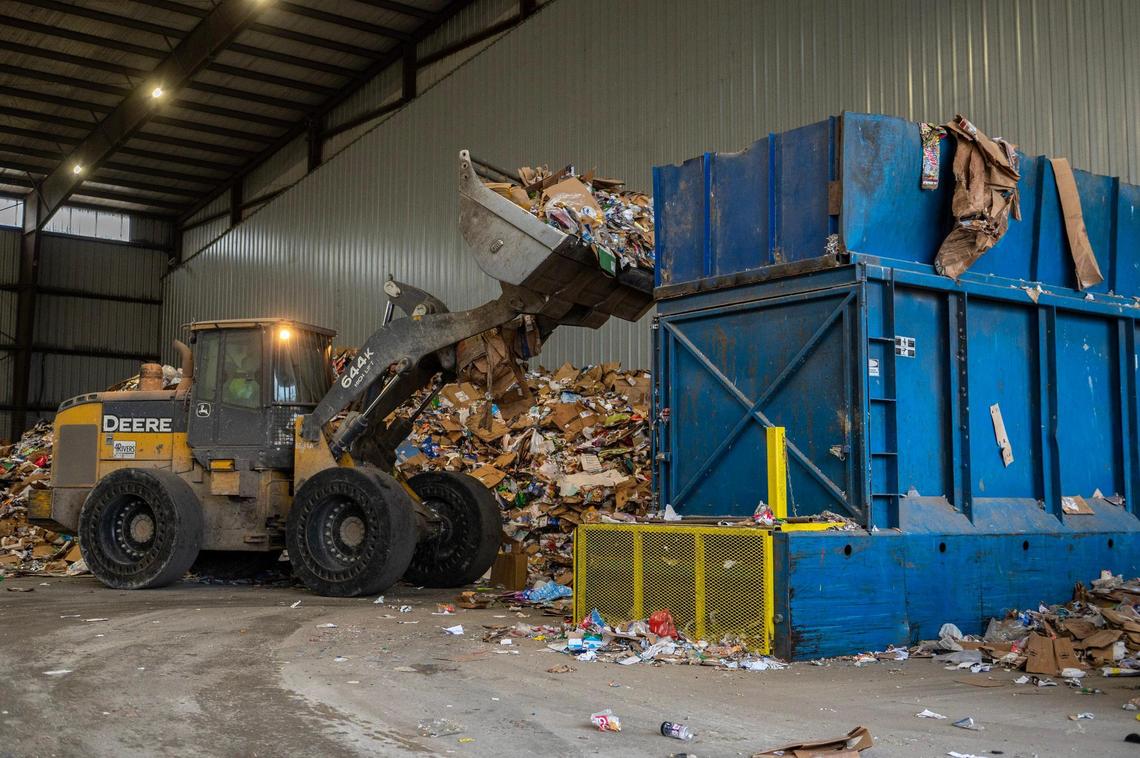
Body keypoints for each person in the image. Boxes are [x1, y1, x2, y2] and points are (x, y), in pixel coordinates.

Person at [222, 338, 260, 407]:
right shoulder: (235, 375)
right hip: (239, 404)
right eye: (250, 363)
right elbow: (238, 394)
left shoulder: (256, 376)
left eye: (252, 363)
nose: (253, 365)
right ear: (244, 365)